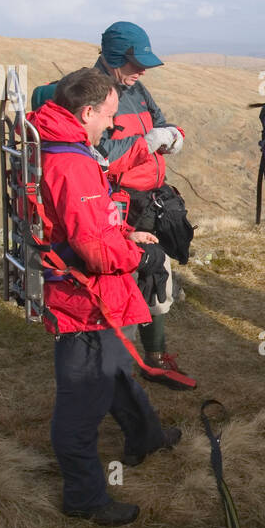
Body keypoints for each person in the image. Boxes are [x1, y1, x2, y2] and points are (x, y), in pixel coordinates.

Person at [29, 69, 181, 527]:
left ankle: (146, 437)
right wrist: (137, 255)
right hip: (85, 299)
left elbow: (88, 225)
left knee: (112, 367)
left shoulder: (61, 145)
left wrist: (125, 233)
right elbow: (94, 250)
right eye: (110, 116)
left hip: (85, 290)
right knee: (81, 400)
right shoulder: (73, 163)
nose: (112, 126)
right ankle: (85, 496)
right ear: (88, 111)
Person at [87, 22, 195, 389]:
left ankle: (153, 356)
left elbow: (160, 122)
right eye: (136, 64)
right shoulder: (91, 92)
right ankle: (121, 368)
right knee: (124, 284)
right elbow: (100, 155)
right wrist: (148, 142)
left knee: (156, 273)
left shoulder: (136, 87)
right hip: (120, 204)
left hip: (150, 198)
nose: (143, 70)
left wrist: (170, 135)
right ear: (115, 58)